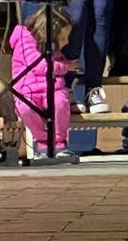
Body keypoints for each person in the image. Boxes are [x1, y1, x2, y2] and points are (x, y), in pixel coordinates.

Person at [8, 9, 77, 162]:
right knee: (25, 108)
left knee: (60, 103)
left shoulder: (51, 47)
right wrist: (66, 67)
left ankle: (59, 142)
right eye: (63, 37)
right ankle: (42, 140)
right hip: (27, 89)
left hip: (51, 87)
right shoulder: (25, 40)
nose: (66, 41)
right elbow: (40, 66)